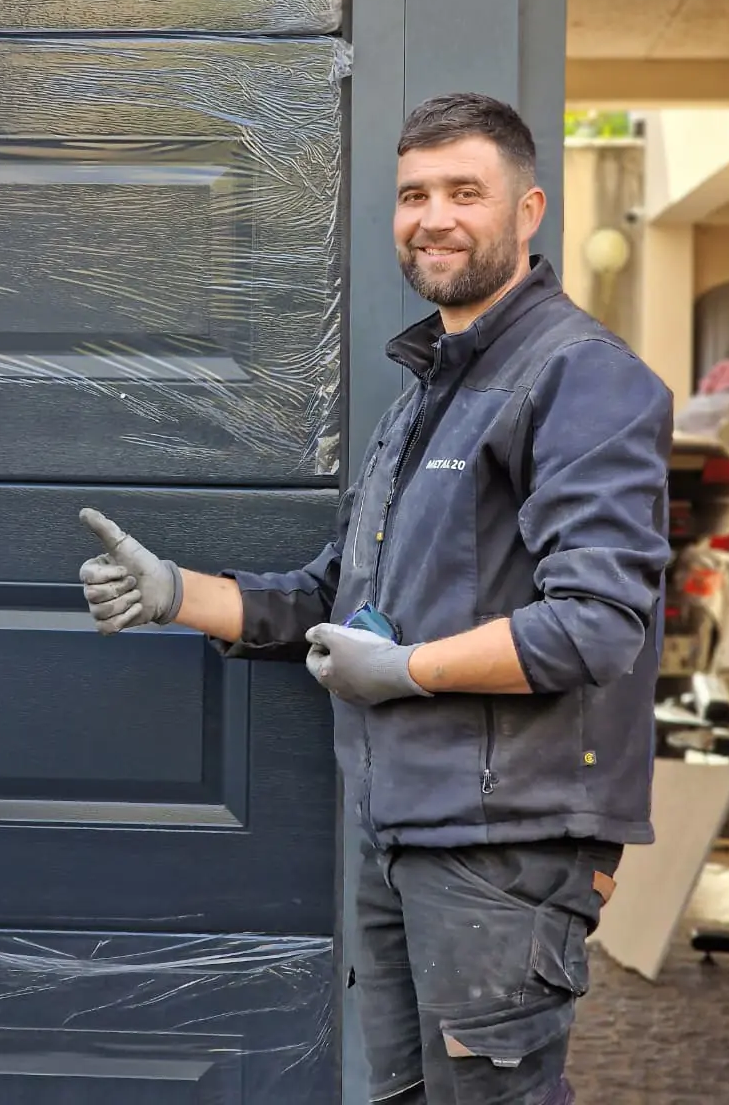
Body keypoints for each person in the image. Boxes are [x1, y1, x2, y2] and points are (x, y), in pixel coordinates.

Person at [79, 92, 672, 1105]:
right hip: (399, 827)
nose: (432, 216)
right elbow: (328, 592)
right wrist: (175, 592)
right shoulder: (423, 398)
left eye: (463, 191)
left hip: (504, 850)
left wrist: (404, 671)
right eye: (413, 194)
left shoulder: (582, 380)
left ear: (528, 211)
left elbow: (598, 622)